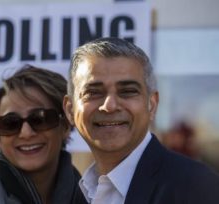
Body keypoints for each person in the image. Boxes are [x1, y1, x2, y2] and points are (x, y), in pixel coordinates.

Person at [63, 37, 219, 204]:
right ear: (70, 110)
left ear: (151, 105)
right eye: (93, 92)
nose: (110, 106)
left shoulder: (196, 188)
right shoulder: (72, 195)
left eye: (127, 91)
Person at [0, 65, 87, 204]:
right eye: (10, 123)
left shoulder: (97, 198)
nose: (26, 133)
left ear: (66, 126)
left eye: (40, 119)